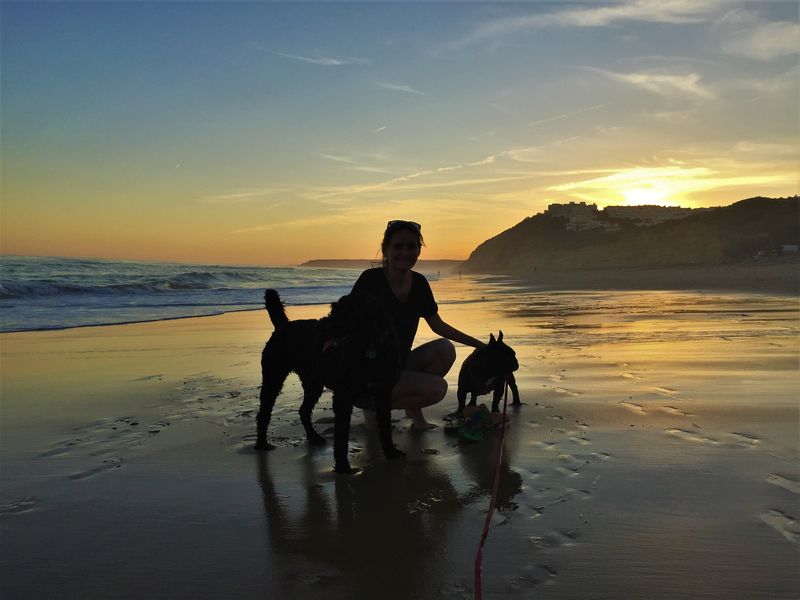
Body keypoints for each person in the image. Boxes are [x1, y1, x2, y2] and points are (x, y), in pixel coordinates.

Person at [352, 220, 485, 430]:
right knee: (437, 389)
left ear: (418, 250)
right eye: (398, 246)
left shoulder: (420, 283)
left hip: (397, 365)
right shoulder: (370, 280)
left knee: (445, 349)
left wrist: (480, 345)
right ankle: (373, 409)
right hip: (369, 372)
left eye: (411, 246)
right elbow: (347, 322)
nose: (405, 252)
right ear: (386, 249)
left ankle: (413, 411)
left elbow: (438, 325)